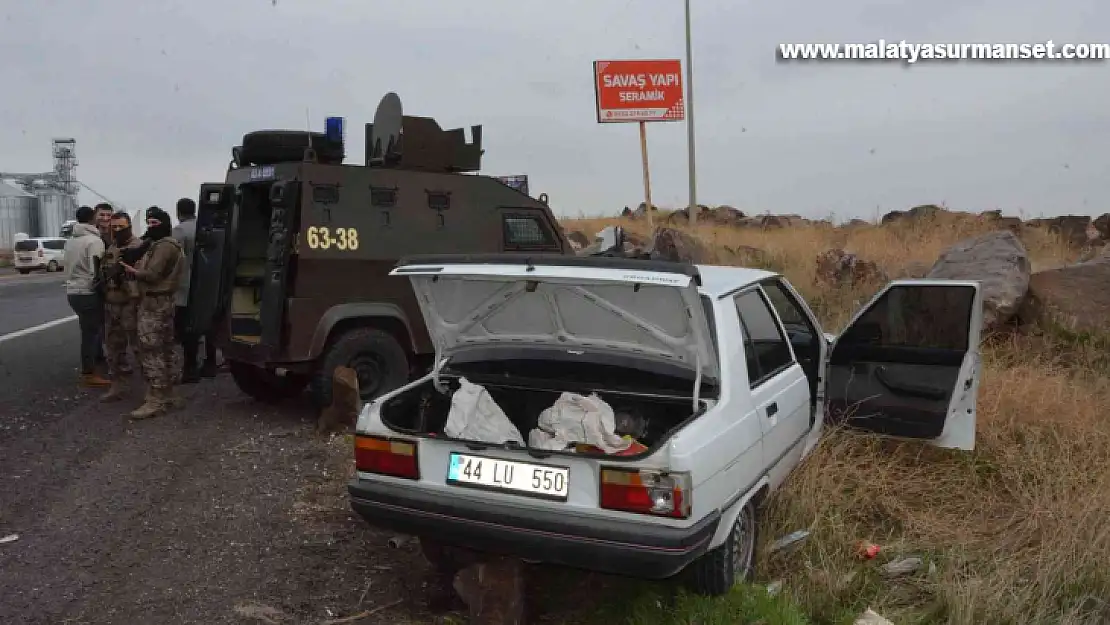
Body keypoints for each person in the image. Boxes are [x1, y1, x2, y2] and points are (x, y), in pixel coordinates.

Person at [121, 206, 186, 419]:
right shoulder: (161, 244)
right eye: (148, 223)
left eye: (155, 223)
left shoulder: (165, 246)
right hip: (162, 302)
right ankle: (169, 394)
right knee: (166, 347)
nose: (150, 227)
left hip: (154, 303)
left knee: (151, 350)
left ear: (165, 224)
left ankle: (156, 398)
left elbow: (152, 274)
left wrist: (133, 272)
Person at [62, 206, 111, 388]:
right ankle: (89, 372)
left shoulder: (70, 241)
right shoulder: (94, 241)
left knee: (88, 330)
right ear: (93, 219)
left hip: (73, 292)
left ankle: (92, 366)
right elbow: (97, 271)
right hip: (88, 292)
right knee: (91, 333)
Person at [98, 212, 144, 402]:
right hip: (112, 303)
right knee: (113, 348)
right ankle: (117, 385)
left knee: (140, 348)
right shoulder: (112, 247)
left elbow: (147, 275)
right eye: (114, 227)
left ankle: (152, 389)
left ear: (129, 226)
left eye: (121, 227)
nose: (117, 230)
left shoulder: (139, 247)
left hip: (131, 304)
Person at [172, 197, 218, 382]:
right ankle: (211, 363)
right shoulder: (207, 227)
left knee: (188, 330)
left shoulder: (180, 230)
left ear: (178, 212)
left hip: (186, 286)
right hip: (208, 284)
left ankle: (190, 368)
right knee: (209, 327)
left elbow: (174, 259)